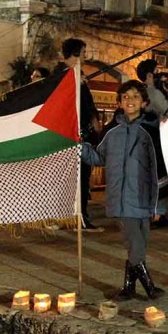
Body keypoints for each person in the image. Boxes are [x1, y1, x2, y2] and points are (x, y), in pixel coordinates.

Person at [85, 81, 164, 301]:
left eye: (135, 97)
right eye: (126, 97)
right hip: (121, 198)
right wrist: (81, 148)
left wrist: (159, 204)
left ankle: (128, 288)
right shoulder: (112, 131)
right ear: (119, 102)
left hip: (144, 198)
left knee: (139, 244)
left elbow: (160, 167)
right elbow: (99, 158)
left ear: (144, 102)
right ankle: (150, 287)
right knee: (135, 244)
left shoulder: (152, 131)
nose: (130, 100)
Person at [57, 38, 102, 231]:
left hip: (84, 133)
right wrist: (73, 82)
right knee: (74, 179)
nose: (85, 56)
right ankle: (74, 217)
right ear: (75, 53)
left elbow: (87, 104)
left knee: (83, 179)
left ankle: (80, 214)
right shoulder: (61, 75)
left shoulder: (78, 74)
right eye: (83, 52)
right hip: (71, 137)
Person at [135, 59, 168, 228]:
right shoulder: (153, 93)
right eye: (158, 71)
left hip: (142, 142)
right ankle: (158, 214)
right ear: (150, 75)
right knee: (161, 178)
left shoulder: (139, 92)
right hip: (157, 141)